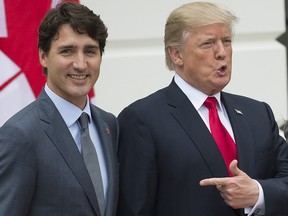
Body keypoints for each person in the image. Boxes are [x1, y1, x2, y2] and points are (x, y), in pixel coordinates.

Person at [116, 2, 288, 216]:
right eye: (208, 44)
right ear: (177, 54)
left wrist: (259, 193)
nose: (222, 52)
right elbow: (135, 209)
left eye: (226, 41)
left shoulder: (258, 113)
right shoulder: (141, 120)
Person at [0, 2, 118, 216]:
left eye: (90, 51)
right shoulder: (20, 134)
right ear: (43, 56)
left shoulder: (109, 124)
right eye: (67, 51)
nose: (81, 64)